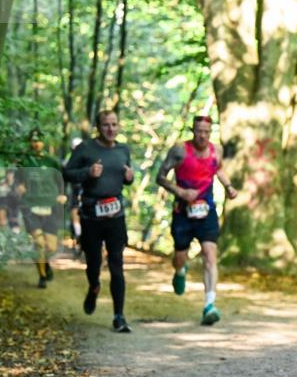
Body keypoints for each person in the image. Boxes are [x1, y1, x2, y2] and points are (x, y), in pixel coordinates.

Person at [155, 115, 238, 325]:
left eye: (206, 132)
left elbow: (218, 169)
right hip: (183, 212)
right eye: (198, 131)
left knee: (210, 255)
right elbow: (160, 177)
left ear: (211, 133)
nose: (202, 135)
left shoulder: (215, 150)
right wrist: (180, 192)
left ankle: (209, 305)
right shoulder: (179, 150)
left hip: (206, 211)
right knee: (180, 256)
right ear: (193, 130)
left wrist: (228, 187)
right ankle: (180, 270)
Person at [63, 111, 135, 332]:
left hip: (116, 215)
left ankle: (119, 316)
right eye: (106, 125)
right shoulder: (85, 149)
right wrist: (87, 172)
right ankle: (94, 286)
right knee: (93, 264)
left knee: (116, 265)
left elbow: (126, 178)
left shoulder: (124, 150)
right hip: (91, 215)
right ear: (98, 127)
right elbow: (66, 173)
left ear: (119, 126)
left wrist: (130, 178)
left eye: (114, 125)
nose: (110, 129)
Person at [15, 129, 67, 288]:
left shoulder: (52, 162)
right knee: (39, 243)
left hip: (51, 207)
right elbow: (17, 182)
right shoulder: (24, 162)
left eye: (39, 140)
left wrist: (62, 195)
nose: (36, 143)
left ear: (44, 142)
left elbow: (61, 181)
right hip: (31, 206)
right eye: (33, 140)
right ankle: (42, 276)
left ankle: (45, 264)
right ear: (30, 142)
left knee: (50, 246)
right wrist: (19, 188)